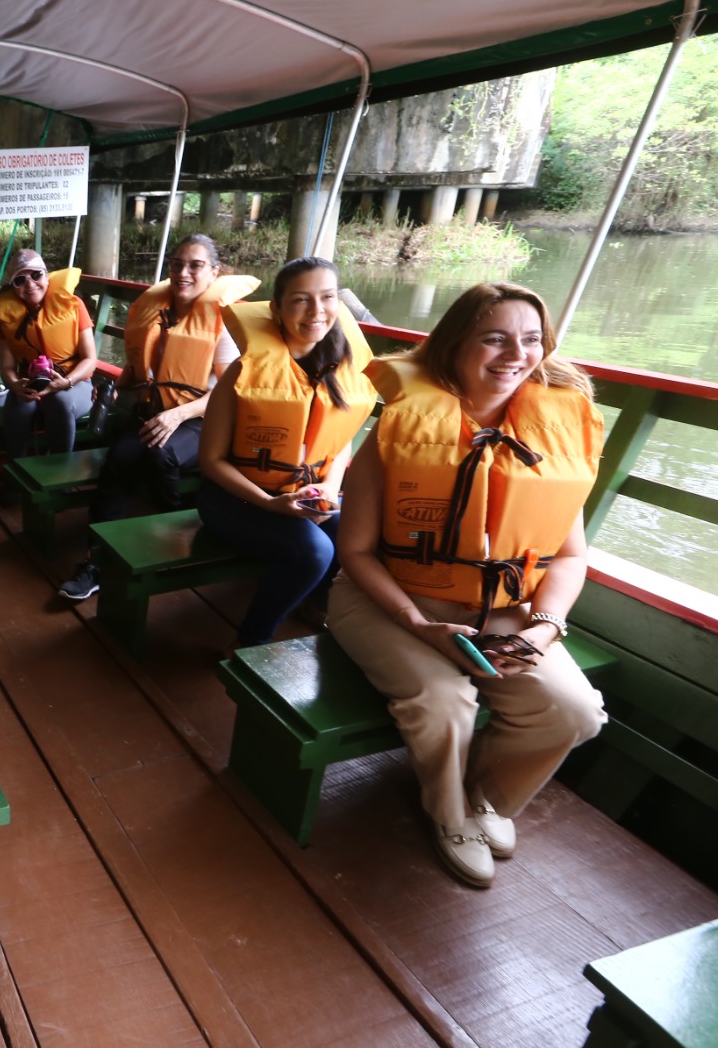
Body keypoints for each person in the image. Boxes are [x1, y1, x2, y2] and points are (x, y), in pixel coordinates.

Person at [328, 282, 607, 888]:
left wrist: (546, 626)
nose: (516, 354)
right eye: (494, 338)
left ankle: (486, 796)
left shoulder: (553, 437)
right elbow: (353, 552)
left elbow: (570, 554)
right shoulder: (401, 430)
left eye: (531, 339)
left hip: (502, 610)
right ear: (456, 345)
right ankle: (448, 812)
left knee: (575, 711)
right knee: (442, 699)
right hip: (387, 600)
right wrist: (416, 623)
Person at [57, 235, 259, 601]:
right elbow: (142, 370)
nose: (184, 272)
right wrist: (120, 385)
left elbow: (228, 392)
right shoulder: (157, 310)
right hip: (157, 412)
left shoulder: (223, 321)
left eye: (195, 265)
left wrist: (177, 416)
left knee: (158, 451)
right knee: (119, 457)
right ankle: (96, 561)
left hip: (205, 419)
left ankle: (175, 537)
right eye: (177, 264)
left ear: (214, 272)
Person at [196, 256, 377, 646]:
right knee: (313, 551)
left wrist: (329, 487)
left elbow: (340, 439)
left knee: (354, 536)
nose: (317, 311)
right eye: (300, 300)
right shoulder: (246, 372)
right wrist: (268, 503)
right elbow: (211, 462)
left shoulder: (340, 369)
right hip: (234, 500)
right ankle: (251, 642)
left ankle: (317, 604)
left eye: (327, 297)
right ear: (276, 309)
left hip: (304, 495)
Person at [0, 248, 99, 459]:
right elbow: (6, 367)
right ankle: (17, 475)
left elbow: (90, 359)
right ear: (12, 287)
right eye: (19, 280)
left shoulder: (75, 306)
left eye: (36, 275)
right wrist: (15, 386)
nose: (30, 284)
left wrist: (66, 382)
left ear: (47, 276)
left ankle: (60, 474)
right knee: (18, 408)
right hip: (30, 386)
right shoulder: (8, 316)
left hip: (75, 385)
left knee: (60, 403)